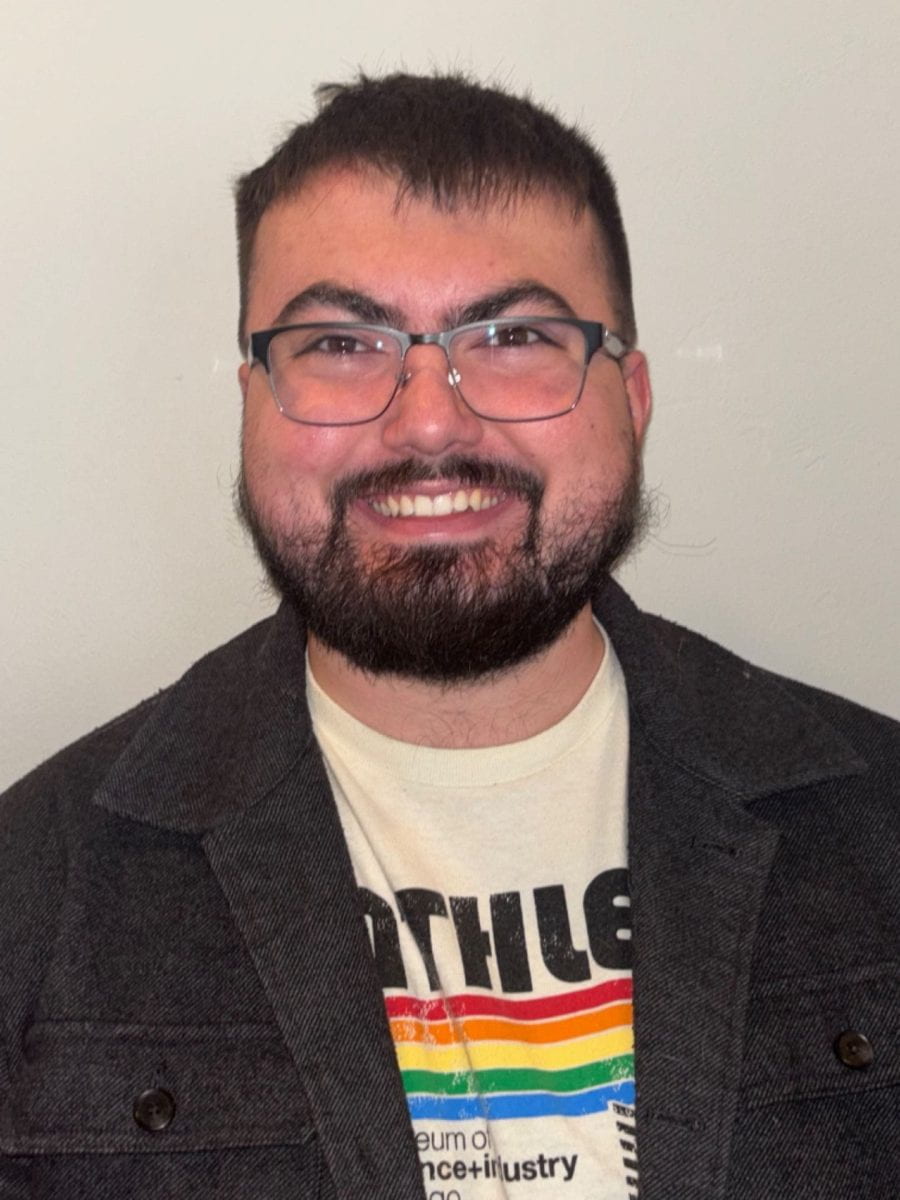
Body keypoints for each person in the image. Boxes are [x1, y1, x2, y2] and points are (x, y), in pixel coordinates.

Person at [1, 72, 898, 1200]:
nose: (427, 420)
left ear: (634, 395)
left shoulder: (878, 829)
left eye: (514, 333)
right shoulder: (34, 892)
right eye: (339, 344)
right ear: (250, 402)